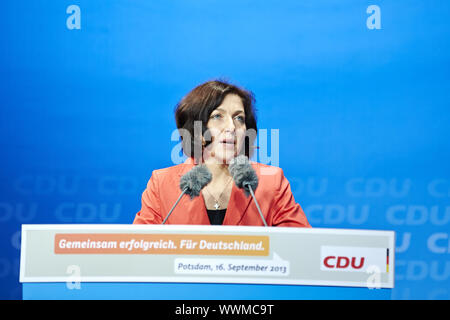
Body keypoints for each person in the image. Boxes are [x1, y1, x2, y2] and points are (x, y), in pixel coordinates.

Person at [133, 80, 311, 227]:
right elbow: (140, 249)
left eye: (239, 118)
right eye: (218, 116)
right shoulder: (162, 184)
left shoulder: (270, 182)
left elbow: (301, 248)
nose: (232, 127)